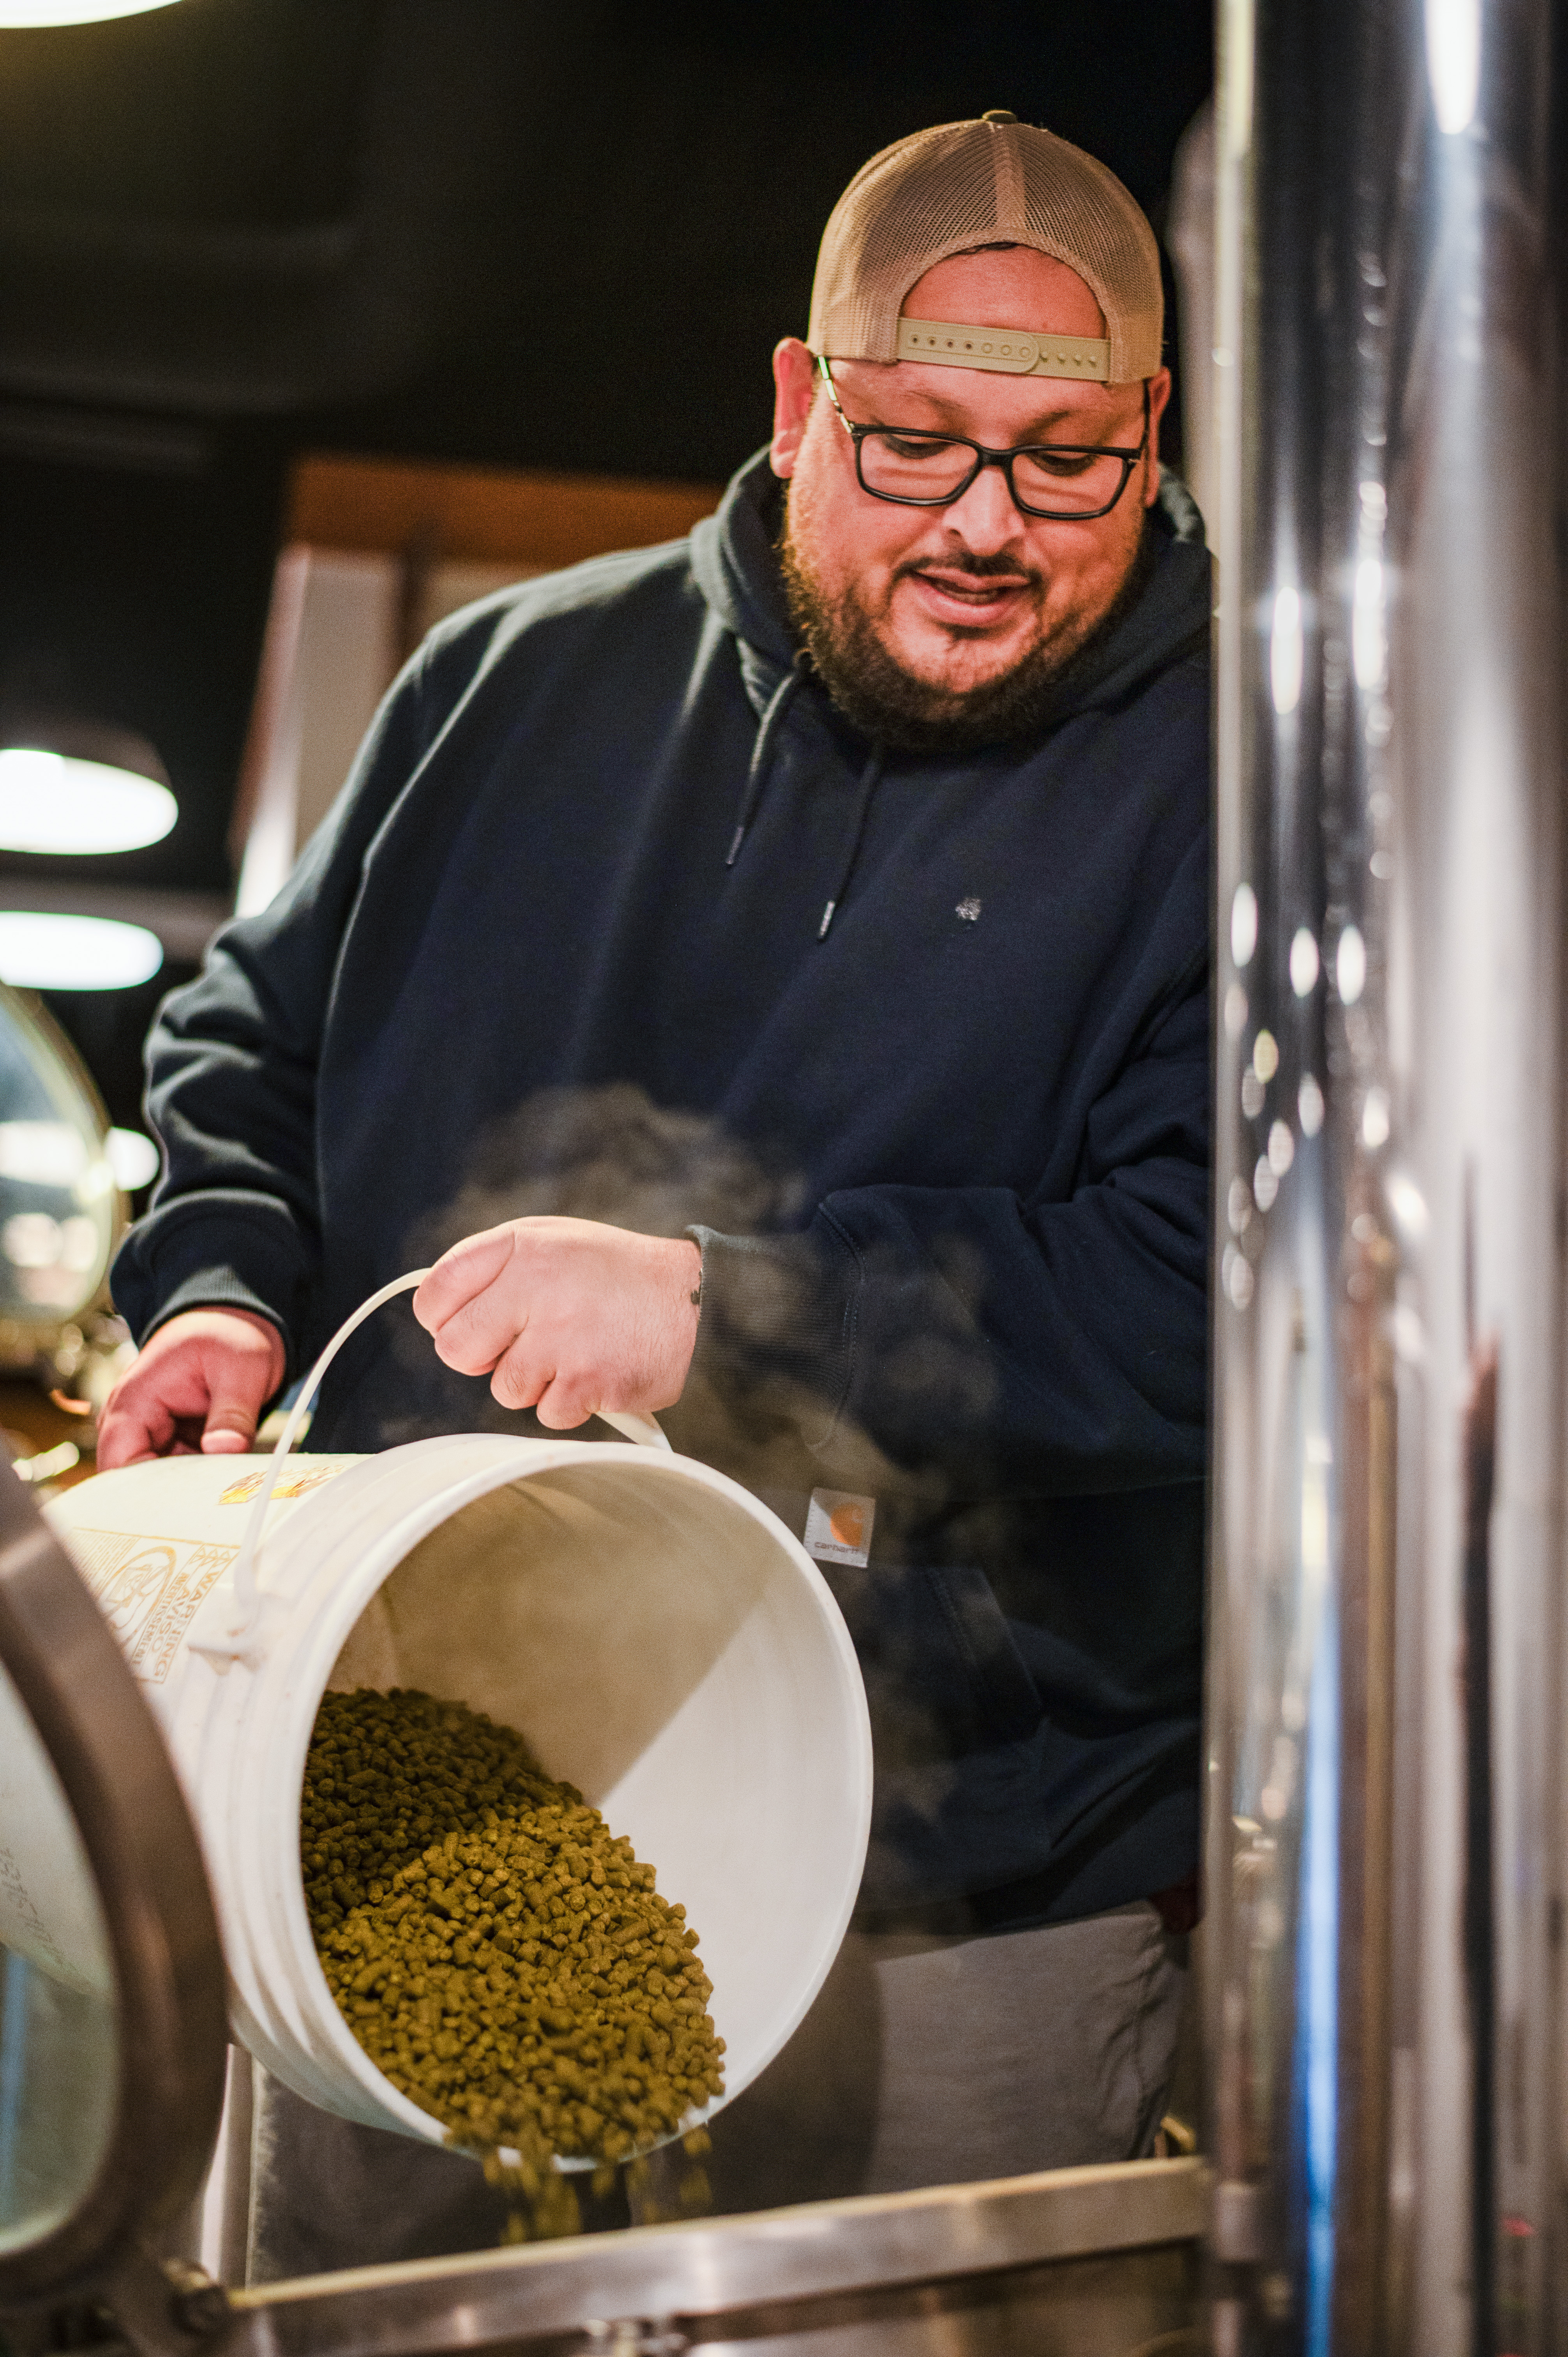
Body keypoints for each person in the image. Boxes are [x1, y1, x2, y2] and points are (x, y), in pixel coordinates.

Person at [102, 111, 1210, 2255]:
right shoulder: (514, 683)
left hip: (960, 1910)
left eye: (1059, 466)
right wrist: (220, 1289)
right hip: (382, 1824)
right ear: (796, 400)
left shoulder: (1254, 779)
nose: (980, 526)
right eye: (908, 445)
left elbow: (1224, 1296)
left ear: (1150, 430)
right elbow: (255, 1037)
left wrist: (734, 1308)